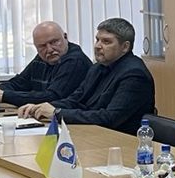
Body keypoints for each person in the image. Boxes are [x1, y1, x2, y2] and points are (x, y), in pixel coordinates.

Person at [18, 17, 155, 134]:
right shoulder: (98, 67)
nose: (98, 46)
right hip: (94, 134)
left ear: (125, 47)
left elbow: (109, 118)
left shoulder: (134, 75)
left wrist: (57, 113)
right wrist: (42, 107)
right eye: (97, 40)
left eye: (106, 42)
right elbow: (75, 100)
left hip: (122, 142)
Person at [0, 21, 91, 107]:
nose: (49, 49)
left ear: (65, 37)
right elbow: (19, 83)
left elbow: (52, 97)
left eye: (54, 42)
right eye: (42, 46)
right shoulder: (43, 57)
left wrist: (4, 96)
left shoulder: (75, 61)